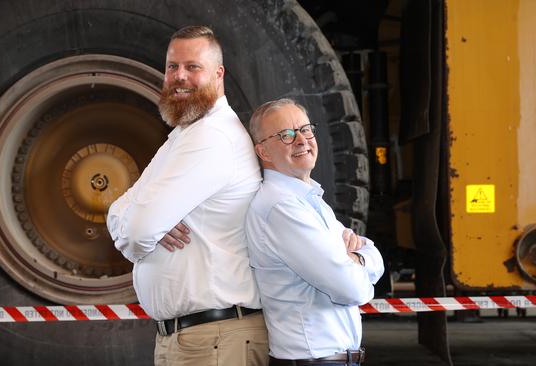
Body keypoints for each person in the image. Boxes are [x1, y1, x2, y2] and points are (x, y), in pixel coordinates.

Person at [107, 26, 268, 366]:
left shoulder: (211, 137)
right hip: (196, 339)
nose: (179, 76)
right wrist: (140, 221)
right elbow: (120, 209)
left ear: (218, 73)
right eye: (172, 66)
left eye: (193, 67)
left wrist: (139, 224)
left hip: (215, 340)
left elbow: (137, 233)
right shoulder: (186, 134)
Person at [245, 98, 384, 366]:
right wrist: (356, 260)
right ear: (263, 152)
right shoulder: (281, 207)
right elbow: (351, 289)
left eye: (305, 129)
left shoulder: (309, 200)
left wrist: (358, 257)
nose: (301, 139)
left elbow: (373, 252)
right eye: (285, 135)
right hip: (314, 360)